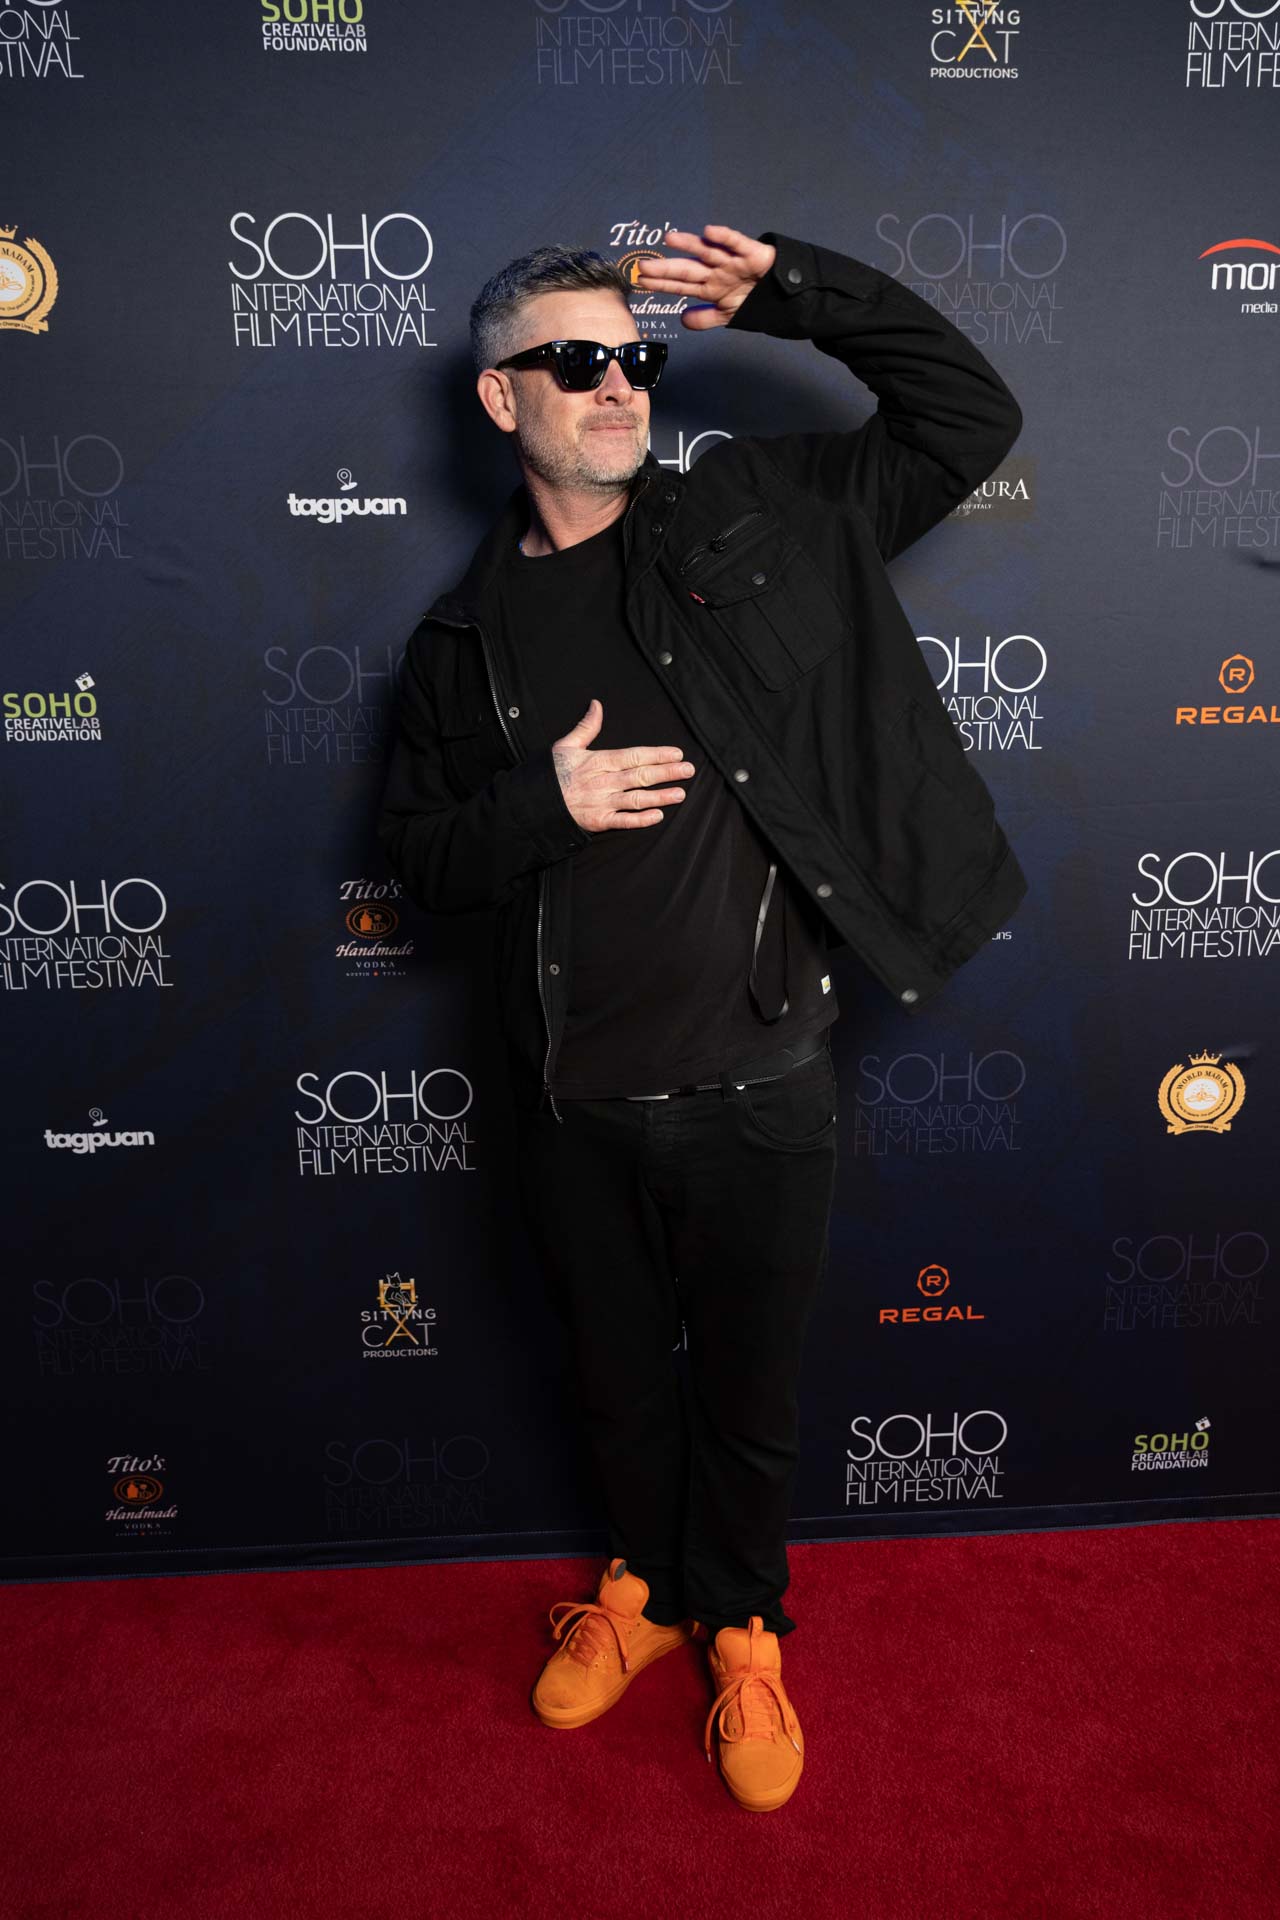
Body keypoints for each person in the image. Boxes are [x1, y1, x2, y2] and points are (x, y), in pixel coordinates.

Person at [377, 223, 1025, 1812]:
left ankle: (743, 1625)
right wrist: (548, 802)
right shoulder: (460, 642)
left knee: (748, 1387)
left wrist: (803, 296)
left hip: (763, 1068)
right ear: (499, 399)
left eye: (636, 358)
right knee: (615, 1378)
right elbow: (420, 858)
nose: (617, 388)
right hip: (572, 1089)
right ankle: (647, 1599)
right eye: (575, 362)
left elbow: (968, 419)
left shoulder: (762, 514)